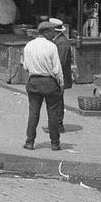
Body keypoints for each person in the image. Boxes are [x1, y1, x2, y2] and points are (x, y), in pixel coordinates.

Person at [22, 20, 65, 150]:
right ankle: (55, 143)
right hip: (49, 82)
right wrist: (61, 84)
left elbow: (25, 66)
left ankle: (29, 142)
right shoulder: (51, 46)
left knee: (33, 113)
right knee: (53, 113)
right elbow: (57, 69)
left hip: (34, 81)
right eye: (52, 32)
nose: (53, 34)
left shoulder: (28, 45)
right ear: (46, 32)